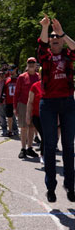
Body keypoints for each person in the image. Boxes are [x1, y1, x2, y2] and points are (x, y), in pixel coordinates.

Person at [38, 14, 75, 203]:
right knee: (50, 145)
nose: (54, 40)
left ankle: (70, 185)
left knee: (69, 146)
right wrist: (46, 28)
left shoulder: (68, 56)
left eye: (57, 38)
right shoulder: (45, 57)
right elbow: (42, 46)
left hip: (68, 102)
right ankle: (50, 187)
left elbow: (74, 47)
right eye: (52, 38)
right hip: (49, 104)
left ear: (62, 42)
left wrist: (62, 32)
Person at [14, 57, 40, 159]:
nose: (31, 64)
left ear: (36, 65)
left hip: (35, 105)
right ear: (27, 64)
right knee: (24, 127)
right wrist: (15, 107)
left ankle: (30, 148)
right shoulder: (21, 77)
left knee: (32, 127)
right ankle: (23, 149)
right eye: (29, 62)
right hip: (23, 104)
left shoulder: (39, 77)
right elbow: (16, 93)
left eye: (33, 62)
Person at [26, 79, 44, 165]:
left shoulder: (52, 85)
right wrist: (28, 116)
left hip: (49, 116)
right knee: (44, 135)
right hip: (36, 116)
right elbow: (30, 102)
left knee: (47, 137)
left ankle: (45, 154)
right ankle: (43, 155)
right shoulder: (35, 86)